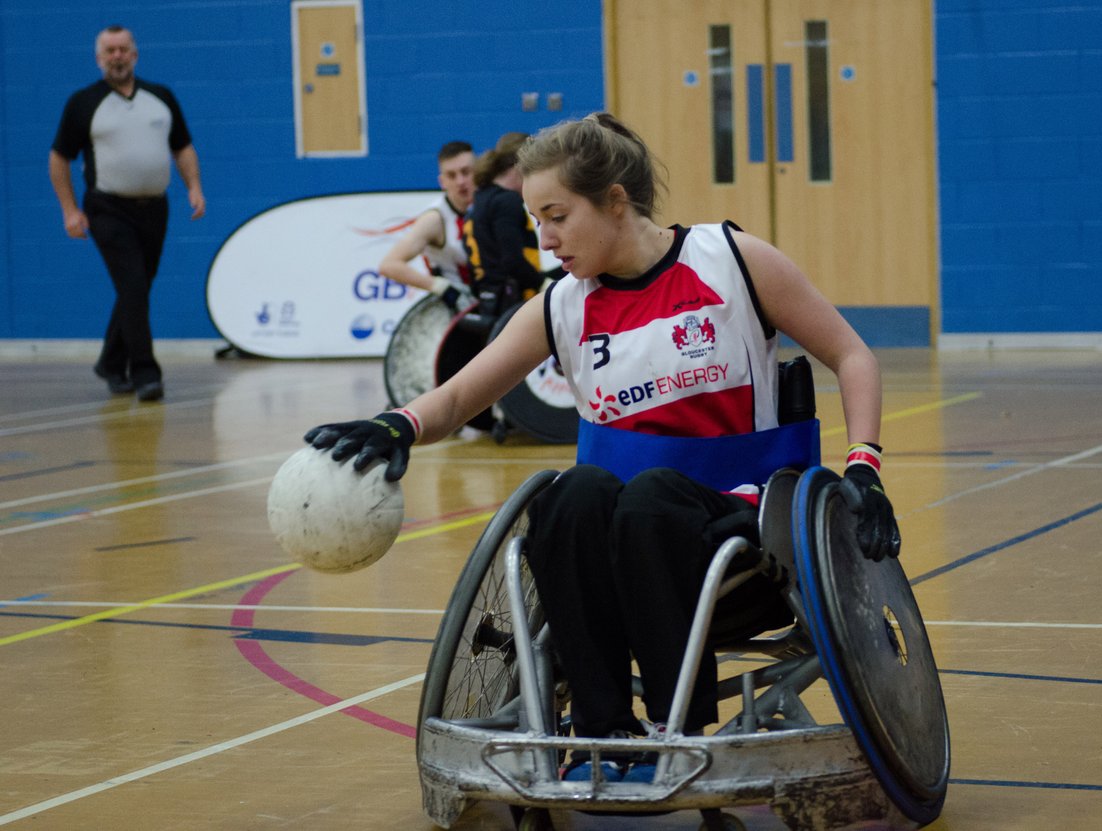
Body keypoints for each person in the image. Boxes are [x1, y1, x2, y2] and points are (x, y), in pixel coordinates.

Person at [303, 113, 901, 781]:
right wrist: (395, 426)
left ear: (615, 200)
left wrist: (864, 466)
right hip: (617, 557)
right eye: (536, 220)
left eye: (557, 216)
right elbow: (458, 395)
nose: (544, 238)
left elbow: (852, 354)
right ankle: (604, 729)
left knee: (651, 498)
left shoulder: (731, 261)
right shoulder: (562, 305)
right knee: (572, 494)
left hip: (743, 544)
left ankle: (678, 726)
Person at [49, 24, 205, 402]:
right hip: (107, 208)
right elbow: (59, 158)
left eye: (123, 49)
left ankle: (111, 362)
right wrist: (70, 210)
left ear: (134, 54)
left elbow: (182, 146)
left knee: (136, 288)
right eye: (110, 50)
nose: (117, 56)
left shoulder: (160, 97)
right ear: (98, 58)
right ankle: (146, 373)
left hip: (154, 208)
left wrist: (194, 187)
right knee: (133, 285)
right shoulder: (83, 103)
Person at [377, 140, 475, 311]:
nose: (460, 181)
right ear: (442, 181)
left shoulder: (489, 205)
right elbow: (389, 265)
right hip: (457, 309)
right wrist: (441, 287)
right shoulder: (435, 218)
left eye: (466, 172)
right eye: (451, 175)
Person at [461, 132, 548, 317]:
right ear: (519, 167)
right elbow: (513, 262)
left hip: (489, 301)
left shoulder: (480, 198)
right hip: (511, 302)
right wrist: (544, 284)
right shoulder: (507, 201)